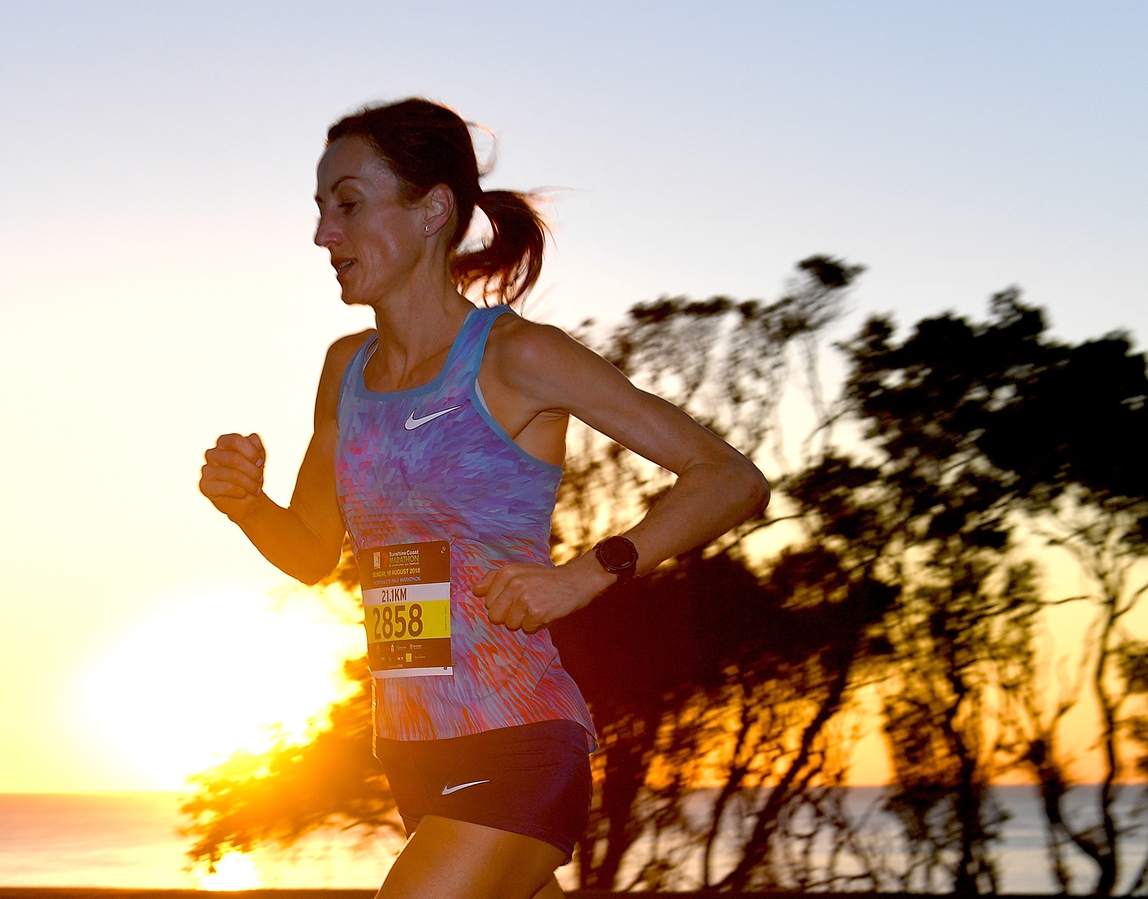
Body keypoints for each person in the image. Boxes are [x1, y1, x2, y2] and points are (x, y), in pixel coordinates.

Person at [198, 98, 769, 899]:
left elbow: (729, 477)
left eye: (350, 205)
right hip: (409, 750)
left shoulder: (516, 356)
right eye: (322, 210)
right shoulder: (344, 372)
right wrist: (248, 503)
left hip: (520, 741)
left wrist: (586, 573)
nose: (325, 234)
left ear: (432, 209)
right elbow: (313, 552)